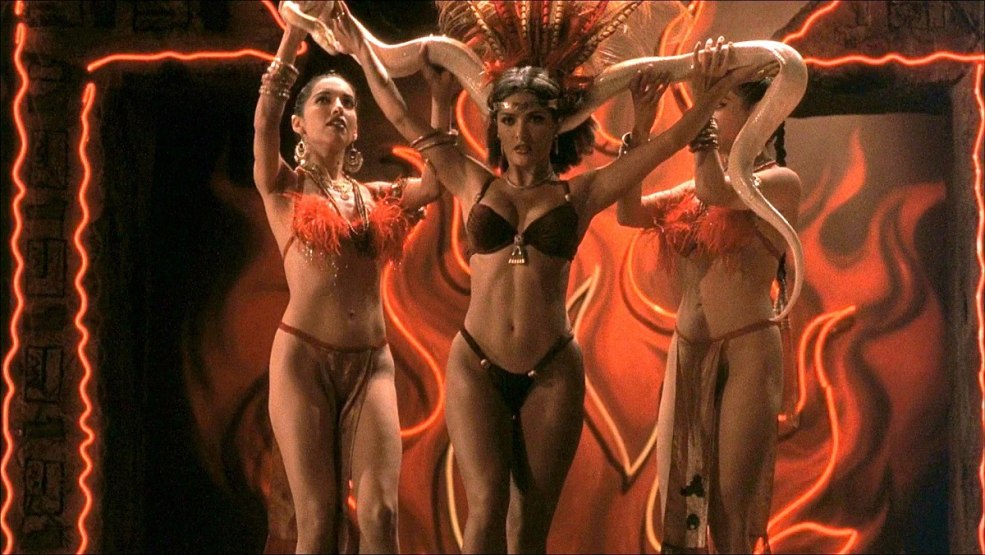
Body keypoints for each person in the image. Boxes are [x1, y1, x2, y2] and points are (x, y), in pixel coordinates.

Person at [318, 2, 772, 552]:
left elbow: (666, 145)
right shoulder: (471, 181)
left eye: (535, 118)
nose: (521, 132)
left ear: (556, 126)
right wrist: (359, 47)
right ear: (495, 126)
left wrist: (705, 95)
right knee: (485, 512)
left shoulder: (580, 194)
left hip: (552, 370)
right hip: (476, 365)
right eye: (508, 119)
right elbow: (398, 112)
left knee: (529, 529)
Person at [252, 19, 450, 553]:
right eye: (324, 100)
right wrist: (294, 32)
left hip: (371, 364)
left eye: (348, 102)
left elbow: (437, 181)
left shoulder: (377, 195)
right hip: (303, 361)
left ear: (358, 126)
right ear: (299, 124)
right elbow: (265, 117)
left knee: (382, 517)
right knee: (318, 521)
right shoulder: (283, 186)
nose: (338, 108)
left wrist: (440, 100)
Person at [617, 39, 801, 553]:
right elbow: (628, 211)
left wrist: (699, 110)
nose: (711, 114)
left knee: (726, 513)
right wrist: (641, 128)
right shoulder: (694, 189)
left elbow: (718, 190)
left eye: (721, 104)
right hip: (688, 353)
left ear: (761, 117)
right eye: (711, 106)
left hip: (746, 353)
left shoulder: (779, 183)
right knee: (679, 505)